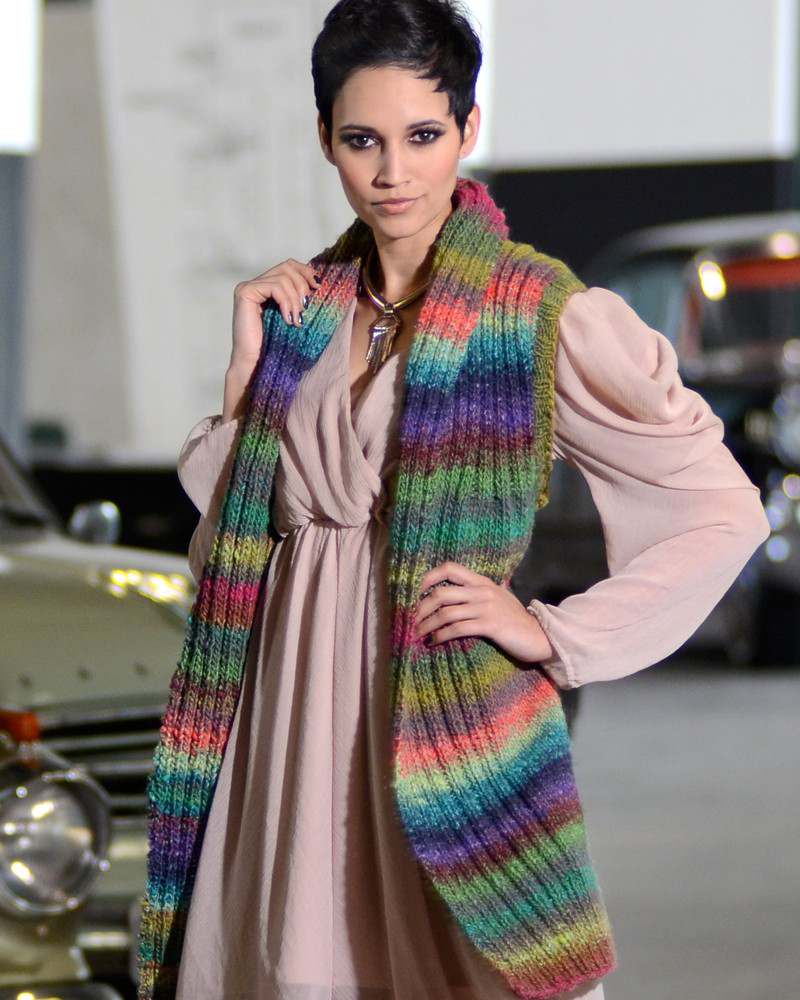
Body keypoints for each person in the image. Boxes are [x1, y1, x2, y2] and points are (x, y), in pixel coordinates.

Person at [136, 2, 771, 998]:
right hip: (284, 722)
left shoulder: (534, 313)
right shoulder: (305, 310)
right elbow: (237, 549)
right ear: (325, 139)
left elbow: (722, 510)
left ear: (468, 129)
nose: (393, 172)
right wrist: (244, 379)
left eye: (423, 135)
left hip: (433, 721)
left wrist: (550, 632)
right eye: (363, 140)